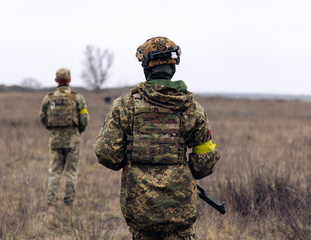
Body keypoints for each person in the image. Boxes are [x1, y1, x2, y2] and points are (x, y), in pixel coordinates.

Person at [94, 37, 220, 239]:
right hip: (180, 214)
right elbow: (203, 165)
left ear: (145, 67)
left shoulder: (124, 106)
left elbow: (108, 156)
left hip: (140, 213)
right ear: (173, 67)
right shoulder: (193, 109)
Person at [39, 68, 89, 211]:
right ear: (69, 80)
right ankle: (68, 205)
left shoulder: (49, 98)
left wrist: (52, 130)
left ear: (56, 80)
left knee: (54, 173)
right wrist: (78, 132)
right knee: (71, 173)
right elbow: (84, 119)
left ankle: (51, 205)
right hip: (73, 140)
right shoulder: (77, 98)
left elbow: (42, 117)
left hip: (55, 141)